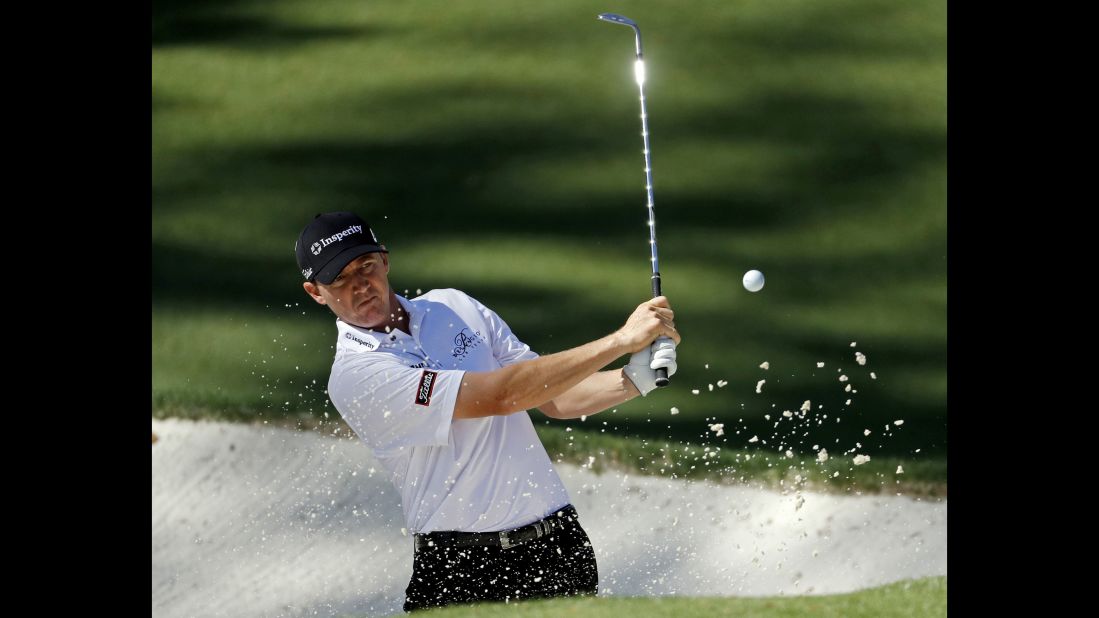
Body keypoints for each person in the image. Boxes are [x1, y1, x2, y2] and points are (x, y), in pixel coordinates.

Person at [295, 212, 680, 612]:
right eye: (340, 279)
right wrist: (620, 340)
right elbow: (501, 396)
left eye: (367, 267)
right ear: (315, 292)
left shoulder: (452, 306)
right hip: (461, 569)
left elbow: (551, 397)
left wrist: (634, 378)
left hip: (557, 546)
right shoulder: (357, 377)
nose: (360, 286)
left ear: (385, 260)